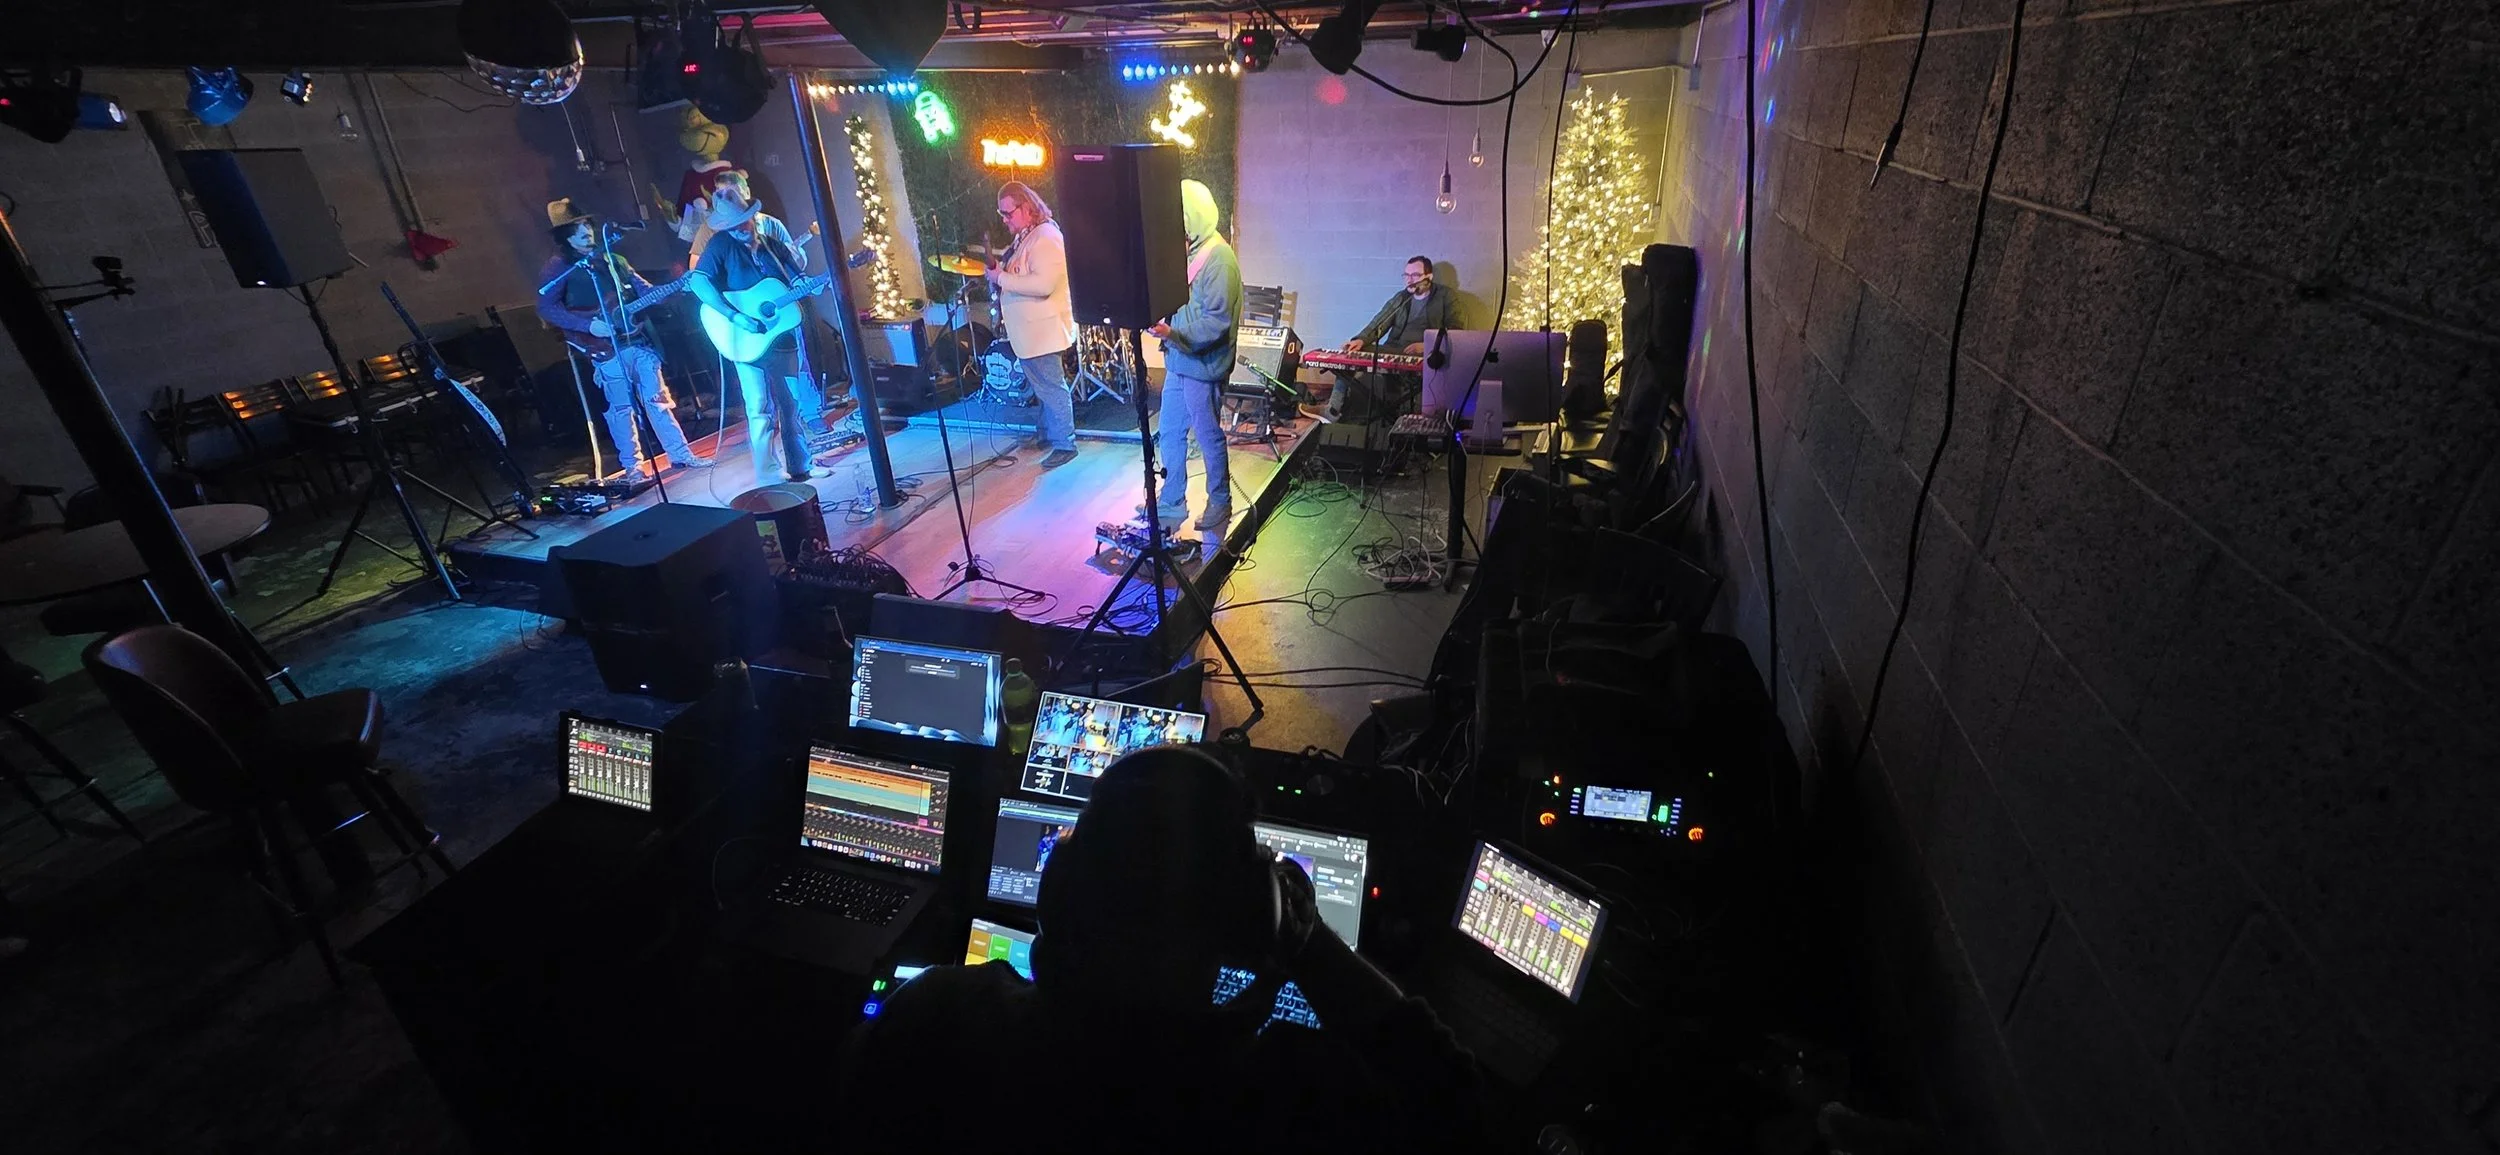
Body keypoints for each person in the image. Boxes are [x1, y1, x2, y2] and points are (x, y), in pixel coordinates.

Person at [838, 747, 1484, 1154]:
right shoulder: (1294, 1097)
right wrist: (1308, 941)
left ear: (1058, 892)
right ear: (1249, 921)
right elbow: (1455, 1104)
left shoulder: (936, 1013)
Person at [534, 199, 713, 479]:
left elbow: (646, 291)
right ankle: (633, 467)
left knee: (658, 401)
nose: (586, 232)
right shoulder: (559, 266)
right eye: (576, 229)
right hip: (605, 348)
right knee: (621, 409)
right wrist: (588, 325)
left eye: (586, 226)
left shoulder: (613, 260)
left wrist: (681, 285)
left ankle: (680, 454)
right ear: (564, 236)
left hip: (638, 341)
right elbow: (546, 307)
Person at [687, 194, 821, 486]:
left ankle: (801, 467)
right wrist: (735, 316)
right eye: (731, 225)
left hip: (781, 336)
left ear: (751, 217)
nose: (738, 229)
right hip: (745, 338)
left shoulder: (773, 246)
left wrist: (810, 285)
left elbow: (796, 279)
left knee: (791, 404)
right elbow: (698, 281)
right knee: (759, 406)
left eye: (741, 222)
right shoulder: (721, 245)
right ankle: (768, 474)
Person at [1142, 180, 1241, 534]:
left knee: (1207, 434)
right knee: (1169, 431)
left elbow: (1216, 322)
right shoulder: (1193, 252)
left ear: (1193, 216)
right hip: (1180, 361)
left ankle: (1220, 500)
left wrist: (1174, 333)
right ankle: (1171, 498)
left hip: (1202, 365)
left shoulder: (1220, 260)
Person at [988, 181, 1081, 469]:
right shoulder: (1030, 236)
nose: (1005, 220)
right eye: (1002, 214)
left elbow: (1043, 284)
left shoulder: (1046, 238)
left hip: (1043, 331)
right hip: (1032, 332)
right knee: (1043, 387)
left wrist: (1001, 279)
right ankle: (1049, 435)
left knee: (1051, 387)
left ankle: (1066, 443)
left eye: (1008, 213)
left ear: (1027, 208)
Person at [1307, 255, 1458, 424]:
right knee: (1351, 353)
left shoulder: (1445, 296)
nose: (1409, 280)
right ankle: (1333, 410)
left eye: (1415, 275)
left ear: (1428, 277)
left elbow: (1455, 331)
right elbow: (1380, 321)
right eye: (1406, 275)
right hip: (1394, 348)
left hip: (1425, 354)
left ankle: (1410, 421)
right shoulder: (1401, 297)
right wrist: (1361, 340)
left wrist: (1427, 345)